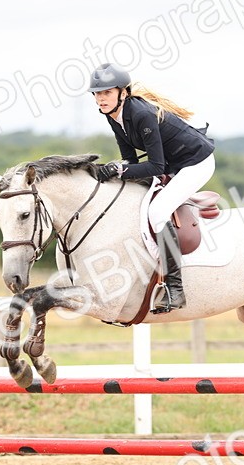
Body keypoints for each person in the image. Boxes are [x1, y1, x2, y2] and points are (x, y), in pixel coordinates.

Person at [88, 63, 215, 313]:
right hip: (173, 164)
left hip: (195, 163)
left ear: (123, 93)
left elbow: (156, 166)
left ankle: (175, 289)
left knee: (157, 212)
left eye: (107, 93)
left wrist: (120, 170)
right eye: (97, 93)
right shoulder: (112, 115)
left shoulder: (141, 114)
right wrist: (114, 170)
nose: (100, 98)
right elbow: (131, 162)